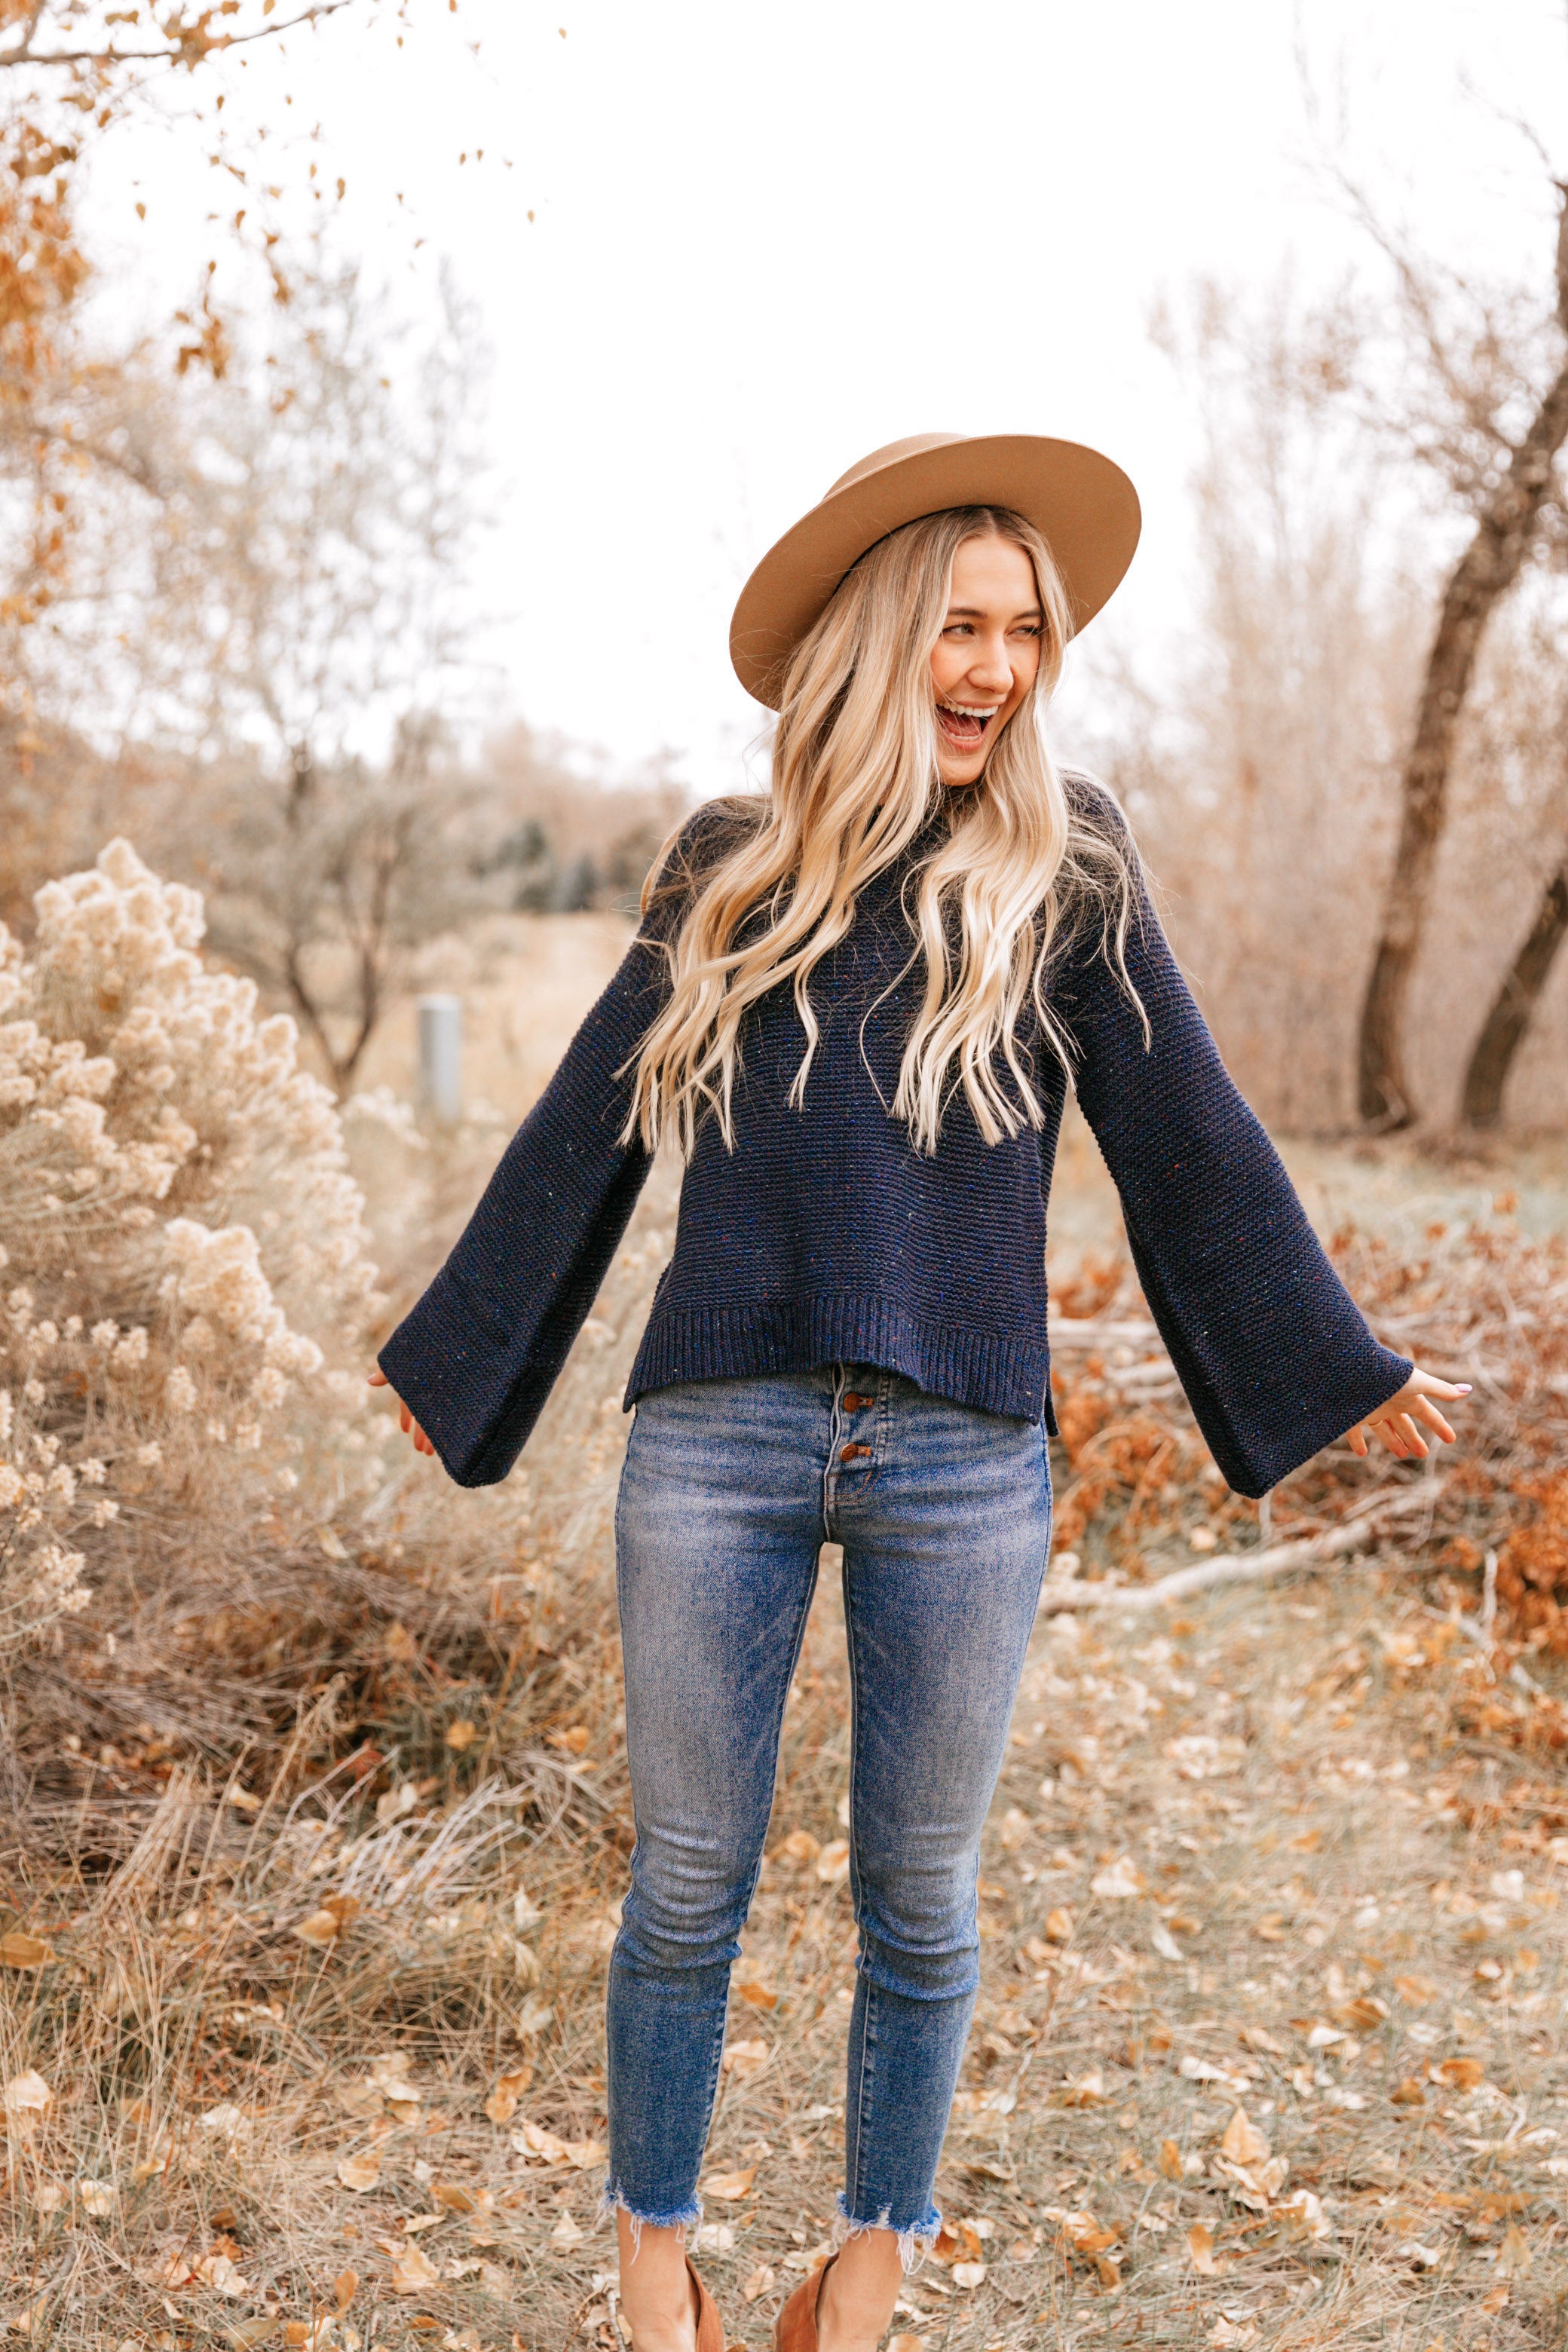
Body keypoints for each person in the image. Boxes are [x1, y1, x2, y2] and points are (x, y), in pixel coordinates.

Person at [370, 433, 1468, 2352]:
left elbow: (1191, 1143)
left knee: (922, 1896)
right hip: (716, 1436)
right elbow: (583, 1130)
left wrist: (1332, 1358)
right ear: (882, 637)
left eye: (1022, 633)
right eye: (961, 626)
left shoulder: (1067, 868)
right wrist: (461, 1355)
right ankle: (653, 2272)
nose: (996, 668)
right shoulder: (730, 865)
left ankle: (865, 2275)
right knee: (684, 1883)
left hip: (962, 1454)